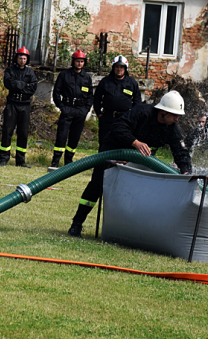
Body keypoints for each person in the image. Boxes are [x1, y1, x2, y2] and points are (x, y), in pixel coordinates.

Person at [67, 90, 192, 237]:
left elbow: (180, 151)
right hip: (113, 150)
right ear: (162, 112)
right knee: (97, 185)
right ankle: (76, 224)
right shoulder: (141, 113)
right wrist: (135, 143)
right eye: (174, 115)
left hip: (140, 160)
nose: (177, 119)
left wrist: (185, 171)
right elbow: (118, 128)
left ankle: (131, 230)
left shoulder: (170, 127)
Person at [49, 50, 93, 171]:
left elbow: (90, 96)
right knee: (61, 135)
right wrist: (61, 107)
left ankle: (68, 162)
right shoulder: (64, 75)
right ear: (73, 61)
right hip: (67, 108)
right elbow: (56, 92)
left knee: (75, 137)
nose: (79, 64)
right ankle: (55, 161)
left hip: (80, 111)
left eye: (82, 61)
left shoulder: (86, 77)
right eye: (78, 61)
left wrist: (85, 110)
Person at [0, 47, 38, 167]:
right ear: (16, 58)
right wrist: (23, 85)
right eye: (20, 58)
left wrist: (18, 85)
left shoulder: (30, 73)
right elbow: (8, 83)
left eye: (24, 58)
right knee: (7, 130)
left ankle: (20, 161)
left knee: (23, 132)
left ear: (27, 59)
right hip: (12, 104)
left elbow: (32, 88)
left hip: (25, 106)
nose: (22, 60)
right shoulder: (9, 70)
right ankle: (4, 159)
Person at [93, 54, 141, 144]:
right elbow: (96, 98)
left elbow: (137, 102)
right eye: (117, 67)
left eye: (121, 67)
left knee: (122, 145)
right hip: (107, 118)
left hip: (125, 119)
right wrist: (99, 114)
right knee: (104, 144)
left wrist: (133, 117)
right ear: (113, 67)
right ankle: (104, 159)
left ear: (125, 68)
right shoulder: (105, 81)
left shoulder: (132, 83)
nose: (119, 69)